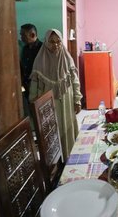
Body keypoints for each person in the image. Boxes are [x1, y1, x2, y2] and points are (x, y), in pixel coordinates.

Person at [29, 29, 82, 160]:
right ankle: (55, 162)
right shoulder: (39, 60)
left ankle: (69, 158)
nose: (56, 45)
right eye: (52, 42)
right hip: (47, 102)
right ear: (46, 42)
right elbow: (34, 84)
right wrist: (33, 102)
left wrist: (77, 100)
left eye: (58, 42)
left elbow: (75, 81)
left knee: (67, 126)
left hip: (66, 100)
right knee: (51, 131)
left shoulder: (66, 57)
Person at [20, 23, 43, 100]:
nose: (21, 38)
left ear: (32, 35)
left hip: (39, 87)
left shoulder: (42, 49)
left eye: (23, 35)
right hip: (26, 85)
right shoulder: (25, 48)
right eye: (21, 35)